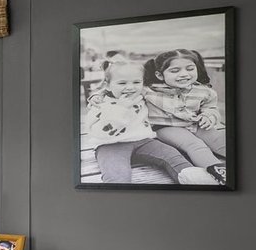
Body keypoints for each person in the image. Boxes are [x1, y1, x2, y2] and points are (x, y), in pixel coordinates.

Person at [82, 57, 217, 185]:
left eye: (136, 82)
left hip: (143, 140)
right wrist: (121, 108)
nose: (130, 87)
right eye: (122, 83)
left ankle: (197, 179)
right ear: (108, 85)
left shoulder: (141, 95)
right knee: (116, 174)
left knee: (172, 155)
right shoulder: (100, 104)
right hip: (110, 145)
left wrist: (205, 112)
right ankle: (118, 200)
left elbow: (166, 92)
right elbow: (100, 132)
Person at [143, 49, 228, 185]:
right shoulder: (149, 91)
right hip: (167, 127)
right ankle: (219, 171)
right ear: (159, 75)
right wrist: (96, 96)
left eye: (190, 68)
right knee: (195, 145)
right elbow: (114, 88)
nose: (184, 74)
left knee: (218, 139)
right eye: (175, 71)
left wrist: (208, 116)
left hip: (196, 124)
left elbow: (211, 108)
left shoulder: (204, 91)